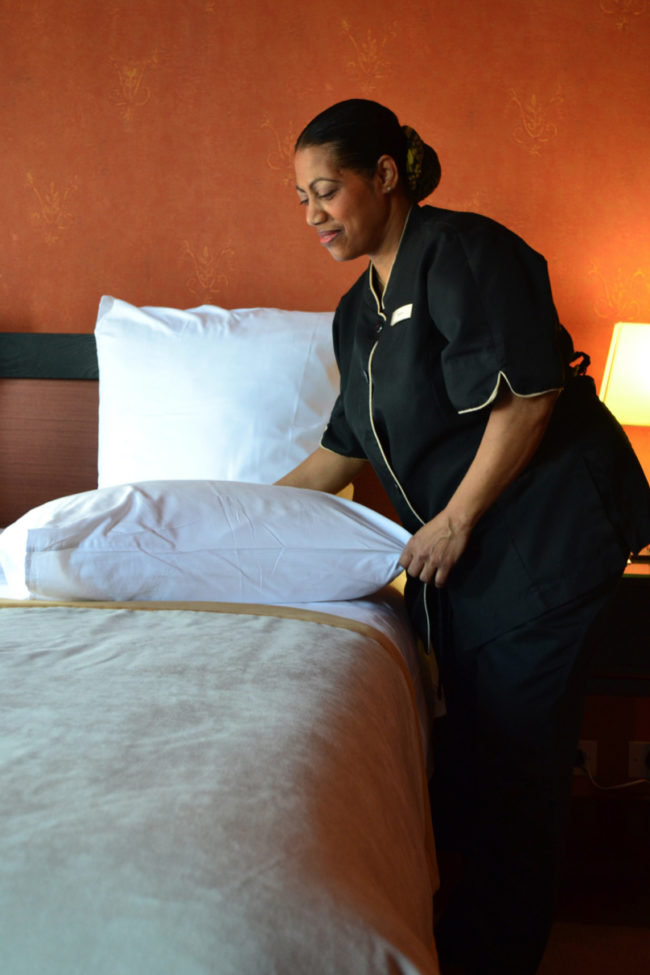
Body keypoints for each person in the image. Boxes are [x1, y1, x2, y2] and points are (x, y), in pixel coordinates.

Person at [277, 98, 650, 975]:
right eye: (299, 198)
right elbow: (335, 456)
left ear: (384, 175)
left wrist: (452, 520)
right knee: (476, 769)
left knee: (512, 775)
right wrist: (214, 518)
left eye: (326, 189)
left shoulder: (466, 252)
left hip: (545, 542)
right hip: (477, 565)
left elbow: (530, 394)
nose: (314, 214)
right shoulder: (354, 314)